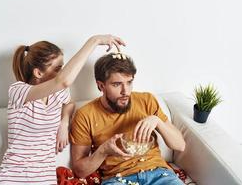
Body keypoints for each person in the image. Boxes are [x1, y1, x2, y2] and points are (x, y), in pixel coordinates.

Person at [0, 35, 125, 185]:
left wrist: (64, 122)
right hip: (13, 178)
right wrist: (94, 41)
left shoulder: (59, 93)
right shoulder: (18, 91)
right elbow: (63, 81)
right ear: (38, 73)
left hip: (45, 179)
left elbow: (69, 104)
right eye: (58, 68)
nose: (63, 72)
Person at [70, 53, 186, 185]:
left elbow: (180, 145)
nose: (125, 91)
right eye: (117, 84)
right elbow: (80, 171)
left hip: (159, 174)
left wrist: (157, 122)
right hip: (117, 179)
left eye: (129, 82)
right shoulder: (85, 115)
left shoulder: (146, 100)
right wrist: (103, 151)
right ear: (101, 86)